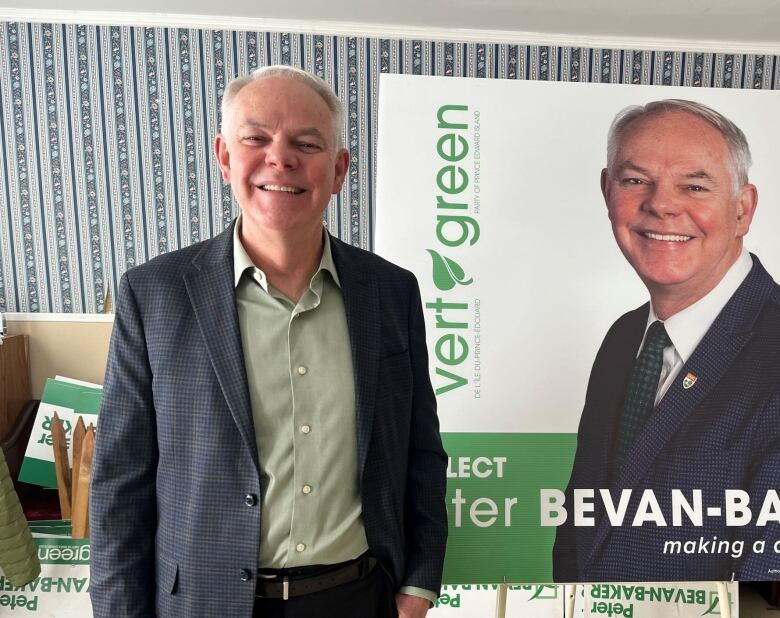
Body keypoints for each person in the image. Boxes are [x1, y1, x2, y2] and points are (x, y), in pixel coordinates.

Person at [90, 65, 447, 618]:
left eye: (307, 143)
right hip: (203, 604)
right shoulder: (153, 294)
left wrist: (420, 584)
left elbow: (420, 452)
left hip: (358, 598)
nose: (280, 159)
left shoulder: (391, 292)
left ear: (339, 170)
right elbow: (120, 482)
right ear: (225, 156)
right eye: (256, 138)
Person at [553, 99, 780, 582]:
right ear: (606, 191)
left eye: (694, 186)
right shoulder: (624, 338)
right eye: (635, 181)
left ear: (743, 209)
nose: (661, 205)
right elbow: (585, 519)